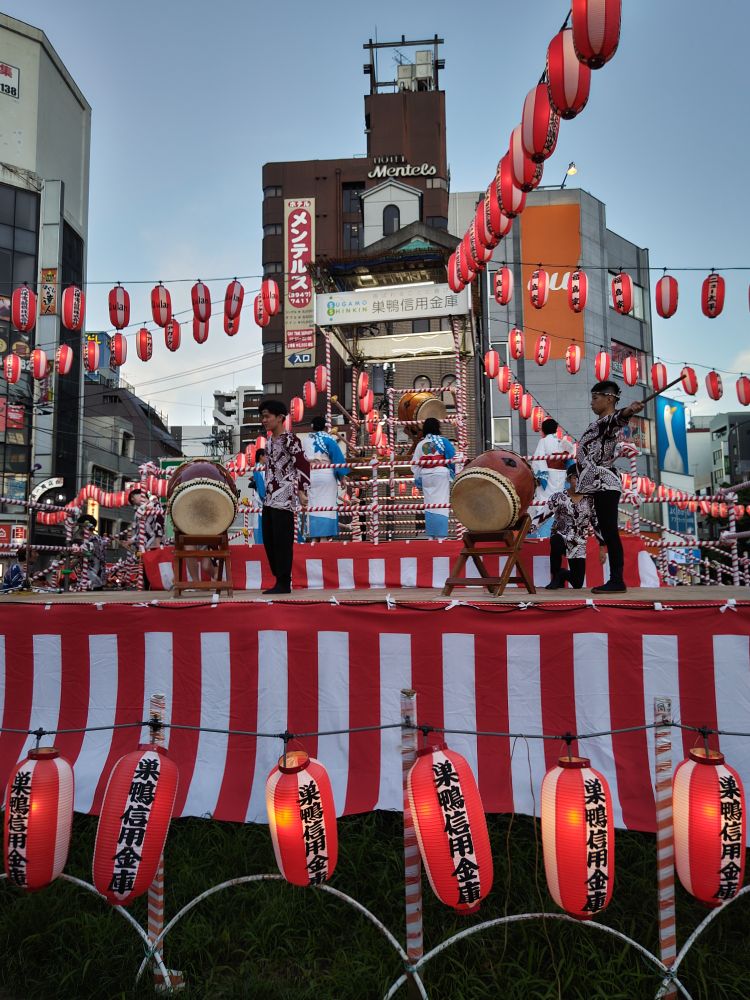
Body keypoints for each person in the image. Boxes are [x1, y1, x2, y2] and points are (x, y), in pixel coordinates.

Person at [576, 380, 644, 593]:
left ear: (609, 399)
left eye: (595, 398)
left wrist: (629, 411)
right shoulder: (599, 424)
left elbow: (618, 419)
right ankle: (616, 579)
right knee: (607, 530)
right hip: (598, 484)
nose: (591, 402)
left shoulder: (607, 423)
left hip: (605, 482)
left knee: (610, 531)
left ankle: (617, 580)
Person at [259, 399, 310, 594]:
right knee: (269, 540)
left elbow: (302, 464)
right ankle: (279, 579)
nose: (264, 420)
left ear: (280, 418)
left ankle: (283, 582)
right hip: (269, 498)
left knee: (282, 541)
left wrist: (302, 491)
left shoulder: (291, 440)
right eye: (262, 417)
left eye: (267, 416)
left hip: (285, 498)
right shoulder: (269, 442)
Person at [543, 470, 606, 589]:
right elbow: (543, 515)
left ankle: (561, 574)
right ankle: (555, 577)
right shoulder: (558, 497)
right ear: (569, 479)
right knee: (555, 542)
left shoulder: (590, 500)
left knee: (577, 583)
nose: (578, 480)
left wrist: (602, 546)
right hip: (560, 534)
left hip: (578, 542)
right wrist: (528, 528)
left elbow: (596, 523)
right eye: (575, 477)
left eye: (581, 477)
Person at [303, 417, 349, 539]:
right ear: (324, 426)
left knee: (313, 506)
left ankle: (314, 537)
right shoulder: (328, 438)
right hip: (326, 473)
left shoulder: (306, 440)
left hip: (310, 475)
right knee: (327, 506)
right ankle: (323, 538)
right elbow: (337, 458)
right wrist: (342, 477)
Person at [411, 417, 456, 540]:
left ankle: (431, 536)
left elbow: (414, 464)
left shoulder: (420, 444)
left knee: (429, 505)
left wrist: (418, 478)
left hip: (426, 475)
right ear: (437, 428)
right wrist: (456, 472)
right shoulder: (442, 441)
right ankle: (441, 536)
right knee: (441, 504)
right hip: (440, 474)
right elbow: (452, 458)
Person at [530, 418, 574, 537]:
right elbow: (570, 462)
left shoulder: (543, 442)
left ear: (543, 430)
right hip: (561, 476)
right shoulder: (562, 442)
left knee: (544, 503)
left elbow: (538, 462)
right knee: (559, 502)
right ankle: (561, 533)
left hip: (548, 477)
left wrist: (540, 476)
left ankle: (543, 535)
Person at [76, 514, 106, 590]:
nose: (79, 530)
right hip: (94, 578)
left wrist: (76, 552)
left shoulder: (93, 540)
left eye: (80, 527)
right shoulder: (98, 538)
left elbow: (89, 554)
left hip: (93, 579)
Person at [249, 449, 267, 544]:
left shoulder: (261, 467)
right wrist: (265, 498)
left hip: (260, 498)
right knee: (260, 522)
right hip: (261, 499)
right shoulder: (259, 468)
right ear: (261, 456)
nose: (267, 458)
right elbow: (261, 486)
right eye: (265, 455)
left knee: (258, 522)